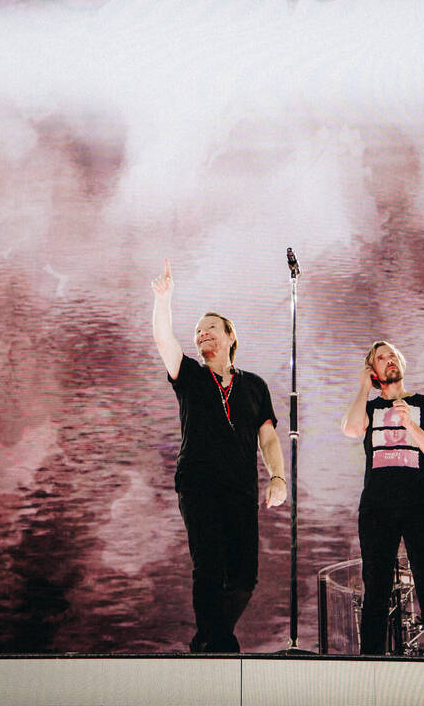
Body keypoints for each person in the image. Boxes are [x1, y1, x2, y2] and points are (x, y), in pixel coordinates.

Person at [150, 259, 287, 652]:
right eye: (196, 331)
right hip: (198, 485)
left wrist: (277, 477)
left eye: (210, 328)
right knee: (208, 567)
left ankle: (207, 641)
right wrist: (164, 300)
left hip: (242, 489)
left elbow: (269, 440)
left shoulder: (255, 386)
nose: (201, 334)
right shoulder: (189, 375)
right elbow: (163, 339)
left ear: (230, 336)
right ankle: (219, 648)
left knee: (244, 576)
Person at [341, 340, 424, 657]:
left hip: (421, 504)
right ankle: (372, 665)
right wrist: (363, 388)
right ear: (373, 371)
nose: (389, 360)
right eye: (380, 358)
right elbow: (350, 429)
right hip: (377, 506)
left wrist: (411, 426)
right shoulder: (370, 407)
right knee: (376, 589)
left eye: (393, 356)